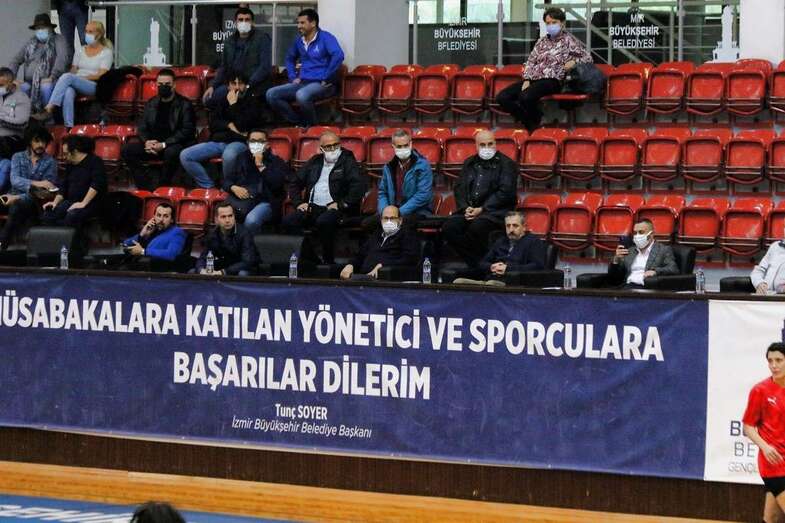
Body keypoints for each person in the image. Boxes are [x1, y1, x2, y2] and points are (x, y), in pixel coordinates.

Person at [495, 7, 592, 132]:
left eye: (554, 22)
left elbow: (588, 58)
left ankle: (532, 123)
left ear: (562, 23)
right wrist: (527, 79)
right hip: (533, 79)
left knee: (525, 97)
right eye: (548, 23)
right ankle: (531, 119)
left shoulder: (568, 41)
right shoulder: (541, 42)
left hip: (552, 80)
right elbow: (531, 61)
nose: (551, 26)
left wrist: (573, 62)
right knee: (502, 97)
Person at [281, 130, 365, 264]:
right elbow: (295, 182)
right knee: (288, 221)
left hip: (337, 209)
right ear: (321, 149)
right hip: (312, 207)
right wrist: (298, 203)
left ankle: (328, 260)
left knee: (324, 221)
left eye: (336, 145)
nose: (333, 149)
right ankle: (311, 258)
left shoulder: (348, 161)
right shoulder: (315, 161)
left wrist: (341, 204)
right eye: (328, 147)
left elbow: (358, 186)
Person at [441, 130, 518, 267]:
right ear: (476, 146)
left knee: (477, 227)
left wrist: (482, 209)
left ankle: (481, 265)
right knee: (449, 227)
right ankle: (477, 264)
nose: (487, 148)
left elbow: (506, 193)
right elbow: (459, 188)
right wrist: (466, 208)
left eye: (490, 144)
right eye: (483, 145)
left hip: (495, 213)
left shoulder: (507, 164)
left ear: (495, 144)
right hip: (471, 211)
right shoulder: (469, 163)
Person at [180, 71, 264, 189]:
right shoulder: (222, 100)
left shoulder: (253, 102)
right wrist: (229, 125)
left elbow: (243, 126)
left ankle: (228, 186)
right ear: (228, 86)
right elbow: (213, 124)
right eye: (233, 83)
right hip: (219, 141)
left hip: (240, 142)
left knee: (228, 155)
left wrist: (233, 105)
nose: (237, 87)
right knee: (186, 155)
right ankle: (208, 186)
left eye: (240, 83)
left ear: (246, 85)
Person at [266, 8, 344, 127]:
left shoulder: (326, 37)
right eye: (298, 23)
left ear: (313, 23)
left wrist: (326, 77)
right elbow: (289, 58)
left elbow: (338, 55)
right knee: (271, 94)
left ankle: (312, 128)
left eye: (302, 23)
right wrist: (293, 77)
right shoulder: (299, 41)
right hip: (303, 82)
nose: (299, 26)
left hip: (323, 84)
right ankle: (298, 123)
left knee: (302, 95)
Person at [122, 68, 196, 190]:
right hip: (153, 145)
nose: (163, 87)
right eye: (160, 84)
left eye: (167, 84)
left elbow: (187, 131)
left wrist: (163, 144)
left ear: (174, 85)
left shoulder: (184, 104)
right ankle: (146, 187)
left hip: (173, 145)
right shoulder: (151, 103)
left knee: (171, 152)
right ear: (156, 84)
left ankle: (162, 188)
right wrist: (147, 141)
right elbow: (142, 127)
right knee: (127, 150)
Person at [35, 20, 113, 128]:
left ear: (99, 34)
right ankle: (69, 127)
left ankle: (49, 108)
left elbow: (101, 75)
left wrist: (79, 78)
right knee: (68, 91)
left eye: (90, 32)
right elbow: (73, 70)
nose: (87, 34)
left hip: (95, 85)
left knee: (68, 77)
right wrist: (74, 79)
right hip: (76, 81)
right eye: (86, 31)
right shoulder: (81, 50)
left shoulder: (106, 52)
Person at [743, 342, 785, 523]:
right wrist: (765, 447)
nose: (774, 365)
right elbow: (748, 426)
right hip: (774, 463)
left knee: (772, 518)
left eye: (779, 360)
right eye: (770, 361)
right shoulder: (760, 391)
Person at [202, 7, 273, 109]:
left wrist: (247, 85)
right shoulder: (229, 42)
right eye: (240, 20)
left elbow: (264, 67)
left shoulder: (262, 38)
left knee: (241, 99)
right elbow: (223, 67)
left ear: (252, 22)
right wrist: (213, 86)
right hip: (232, 84)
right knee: (208, 99)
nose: (244, 22)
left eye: (247, 19)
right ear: (235, 22)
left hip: (254, 85)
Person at [0, 126, 58, 250]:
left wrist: (17, 197)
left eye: (43, 141)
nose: (41, 145)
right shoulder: (17, 157)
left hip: (34, 201)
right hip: (11, 195)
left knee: (16, 207)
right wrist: (39, 183)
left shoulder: (50, 162)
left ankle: (1, 245)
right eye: (37, 141)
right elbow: (15, 180)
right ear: (29, 142)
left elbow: (46, 192)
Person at [223, 129, 288, 234]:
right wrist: (233, 187)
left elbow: (277, 185)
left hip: (266, 201)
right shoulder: (241, 158)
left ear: (267, 145)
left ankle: (247, 243)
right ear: (248, 143)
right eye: (253, 141)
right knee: (223, 216)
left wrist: (260, 165)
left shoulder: (277, 161)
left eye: (261, 141)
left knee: (251, 221)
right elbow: (226, 180)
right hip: (243, 200)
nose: (256, 144)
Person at [366, 128, 432, 231]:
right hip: (392, 211)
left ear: (411, 144)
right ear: (393, 146)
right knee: (368, 224)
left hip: (417, 211)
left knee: (402, 225)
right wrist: (385, 212)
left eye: (406, 145)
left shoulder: (423, 165)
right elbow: (383, 193)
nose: (403, 149)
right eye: (399, 146)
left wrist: (397, 213)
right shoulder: (388, 167)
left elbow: (423, 195)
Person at [454, 211, 546, 286]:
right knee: (458, 282)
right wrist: (492, 267)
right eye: (508, 226)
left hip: (513, 283)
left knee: (492, 284)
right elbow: (482, 263)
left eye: (515, 226)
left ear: (524, 227)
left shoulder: (533, 241)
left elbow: (537, 266)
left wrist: (507, 268)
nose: (511, 230)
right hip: (490, 279)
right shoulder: (501, 241)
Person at [41, 134, 106, 229]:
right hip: (71, 201)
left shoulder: (95, 161)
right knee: (48, 214)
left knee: (72, 216)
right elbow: (64, 186)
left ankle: (70, 237)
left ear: (75, 151)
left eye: (66, 153)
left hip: (91, 203)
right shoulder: (70, 164)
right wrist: (55, 202)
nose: (64, 157)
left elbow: (97, 184)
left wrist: (83, 203)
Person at [9, 14, 70, 113]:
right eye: (38, 28)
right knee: (18, 88)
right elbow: (16, 60)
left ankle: (47, 116)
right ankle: (25, 117)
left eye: (43, 28)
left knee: (46, 87)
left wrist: (52, 76)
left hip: (52, 79)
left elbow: (62, 59)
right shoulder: (31, 43)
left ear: (50, 28)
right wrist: (11, 78)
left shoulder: (59, 39)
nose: (40, 30)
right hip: (30, 81)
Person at [340, 205, 419, 280]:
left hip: (384, 279)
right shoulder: (376, 235)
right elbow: (360, 255)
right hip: (362, 278)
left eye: (392, 218)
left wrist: (383, 265)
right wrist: (350, 265)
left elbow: (409, 259)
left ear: (400, 220)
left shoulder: (407, 236)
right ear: (381, 220)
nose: (388, 222)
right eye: (385, 218)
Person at [608, 219, 679, 288]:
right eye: (635, 233)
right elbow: (615, 277)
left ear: (651, 234)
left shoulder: (663, 250)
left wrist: (655, 271)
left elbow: (673, 269)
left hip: (647, 288)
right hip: (627, 288)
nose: (637, 236)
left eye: (641, 232)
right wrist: (616, 260)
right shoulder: (630, 251)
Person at [194, 202, 258, 276]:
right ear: (216, 219)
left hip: (243, 267)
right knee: (194, 271)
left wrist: (223, 272)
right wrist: (201, 270)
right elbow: (203, 258)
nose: (227, 220)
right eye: (223, 217)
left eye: (230, 216)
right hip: (225, 265)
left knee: (242, 274)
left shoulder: (244, 233)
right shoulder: (212, 234)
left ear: (234, 217)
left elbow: (248, 261)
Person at [121, 202, 187, 265]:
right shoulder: (151, 230)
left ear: (172, 219)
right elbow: (125, 244)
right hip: (135, 263)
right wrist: (142, 234)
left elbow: (172, 254)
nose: (161, 219)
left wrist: (143, 251)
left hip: (154, 267)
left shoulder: (177, 232)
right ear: (154, 217)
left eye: (166, 216)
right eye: (158, 215)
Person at [0, 68, 32, 174]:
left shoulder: (21, 97)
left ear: (11, 83)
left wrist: (2, 119)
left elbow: (22, 123)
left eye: (1, 85)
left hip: (13, 140)